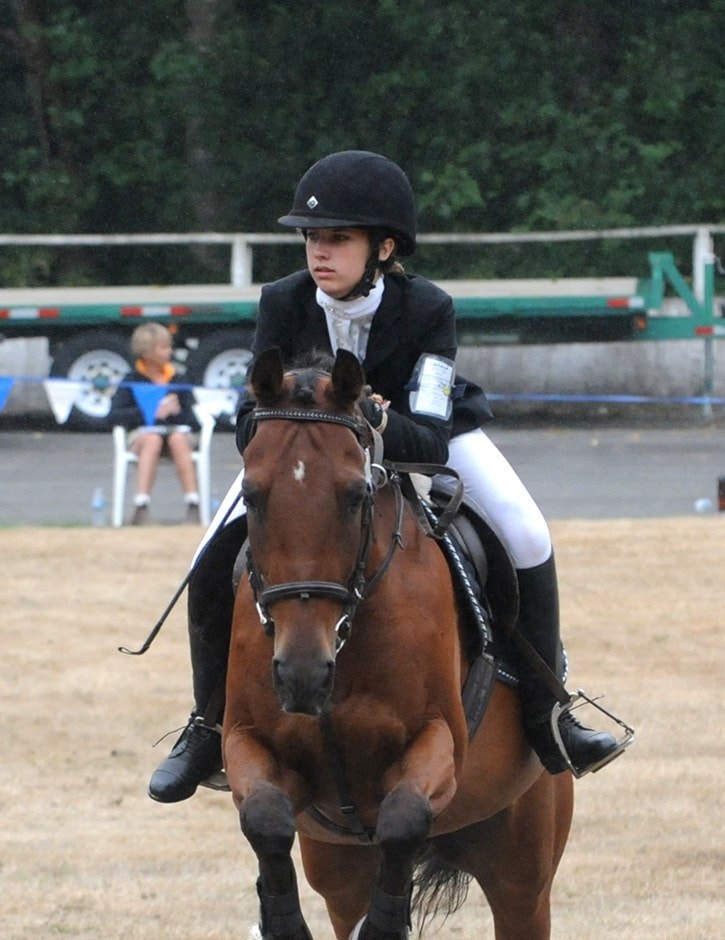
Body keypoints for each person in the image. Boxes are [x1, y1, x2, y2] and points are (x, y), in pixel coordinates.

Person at [148, 150, 624, 803]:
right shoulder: (281, 301)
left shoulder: (427, 307)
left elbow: (427, 435)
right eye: (312, 237)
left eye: (337, 238)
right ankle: (205, 724)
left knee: (525, 531)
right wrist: (286, 430)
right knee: (210, 556)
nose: (319, 251)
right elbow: (246, 418)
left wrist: (369, 418)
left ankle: (549, 712)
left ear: (384, 245)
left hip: (429, 439)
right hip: (308, 459)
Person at [109, 322, 202, 525]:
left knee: (178, 439)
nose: (169, 352)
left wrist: (177, 413)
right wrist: (149, 413)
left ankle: (193, 505)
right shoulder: (132, 379)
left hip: (177, 433)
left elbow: (194, 418)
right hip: (143, 437)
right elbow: (115, 415)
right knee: (152, 439)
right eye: (163, 347)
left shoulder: (177, 379)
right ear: (147, 352)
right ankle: (140, 507)